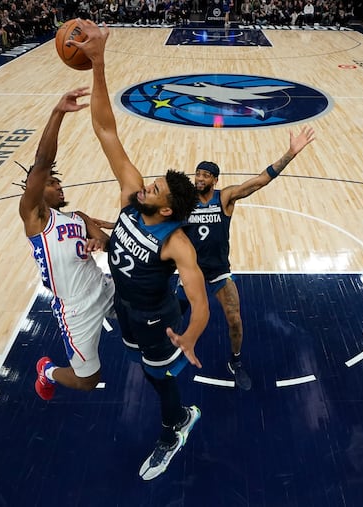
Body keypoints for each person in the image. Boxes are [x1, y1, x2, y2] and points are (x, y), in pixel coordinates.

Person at [71, 19, 209, 481]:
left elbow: (200, 301)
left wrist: (189, 336)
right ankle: (174, 409)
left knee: (159, 379)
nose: (145, 185)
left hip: (157, 321)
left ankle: (176, 426)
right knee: (141, 367)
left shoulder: (177, 244)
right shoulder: (133, 199)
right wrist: (99, 63)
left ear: (168, 207)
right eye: (150, 183)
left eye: (155, 188)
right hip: (125, 308)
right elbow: (106, 130)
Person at [180, 127, 315, 391]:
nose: (199, 178)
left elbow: (260, 180)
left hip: (218, 271)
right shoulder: (185, 202)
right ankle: (166, 349)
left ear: (215, 180)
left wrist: (290, 154)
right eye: (197, 173)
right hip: (192, 271)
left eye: (205, 175)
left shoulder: (226, 197)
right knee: (171, 312)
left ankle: (236, 362)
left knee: (235, 320)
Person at [22, 87, 115, 400]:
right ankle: (47, 370)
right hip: (76, 308)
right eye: (51, 182)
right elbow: (42, 161)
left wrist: (97, 242)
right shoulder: (34, 217)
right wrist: (58, 112)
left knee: (144, 300)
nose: (58, 185)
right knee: (87, 381)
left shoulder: (77, 216)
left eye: (58, 181)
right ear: (34, 189)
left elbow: (103, 240)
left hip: (102, 285)